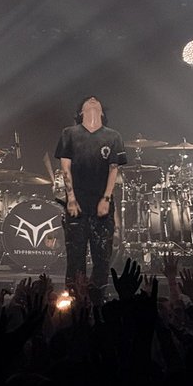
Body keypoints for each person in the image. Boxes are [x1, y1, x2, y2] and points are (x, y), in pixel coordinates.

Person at [55, 95, 126, 300]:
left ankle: (97, 300)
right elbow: (65, 167)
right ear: (80, 112)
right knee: (75, 257)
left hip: (102, 205)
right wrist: (71, 198)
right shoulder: (69, 133)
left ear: (102, 112)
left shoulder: (113, 136)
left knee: (102, 257)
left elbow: (114, 169)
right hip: (77, 204)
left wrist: (106, 198)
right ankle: (74, 301)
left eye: (96, 101)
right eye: (88, 101)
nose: (93, 99)